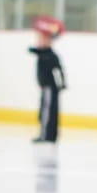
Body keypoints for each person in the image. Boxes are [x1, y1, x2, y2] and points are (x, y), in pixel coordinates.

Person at [28, 15, 66, 143]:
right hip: (47, 88)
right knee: (47, 111)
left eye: (42, 38)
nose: (38, 41)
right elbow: (34, 50)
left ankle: (46, 135)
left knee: (47, 112)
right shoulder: (43, 53)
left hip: (50, 88)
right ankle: (49, 135)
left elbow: (59, 71)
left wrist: (61, 84)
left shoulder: (50, 55)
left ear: (49, 40)